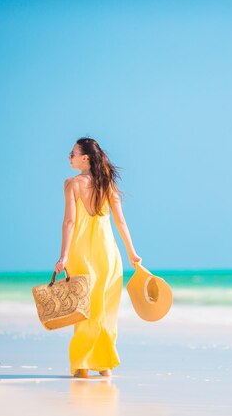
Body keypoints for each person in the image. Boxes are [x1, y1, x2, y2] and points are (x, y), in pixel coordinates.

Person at [54, 137, 142, 378]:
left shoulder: (72, 184)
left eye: (72, 153)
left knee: (84, 309)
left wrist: (63, 256)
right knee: (106, 309)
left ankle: (82, 365)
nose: (69, 157)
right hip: (108, 254)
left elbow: (69, 222)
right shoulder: (108, 185)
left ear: (85, 158)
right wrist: (131, 252)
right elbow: (120, 222)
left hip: (82, 253)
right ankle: (105, 367)